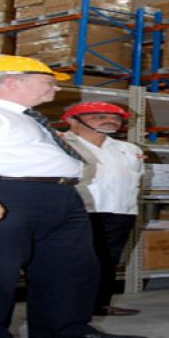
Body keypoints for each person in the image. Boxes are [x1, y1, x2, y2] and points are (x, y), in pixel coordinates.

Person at [0, 56, 146, 338]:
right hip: (3, 190)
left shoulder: (26, 117)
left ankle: (64, 327)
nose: (54, 87)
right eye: (47, 81)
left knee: (71, 266)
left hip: (57, 195)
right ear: (12, 81)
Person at [61, 101, 144, 317]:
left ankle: (99, 304)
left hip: (120, 211)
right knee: (72, 262)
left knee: (108, 261)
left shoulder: (129, 149)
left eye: (116, 118)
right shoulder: (59, 144)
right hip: (77, 213)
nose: (110, 121)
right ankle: (71, 309)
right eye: (98, 117)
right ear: (72, 121)